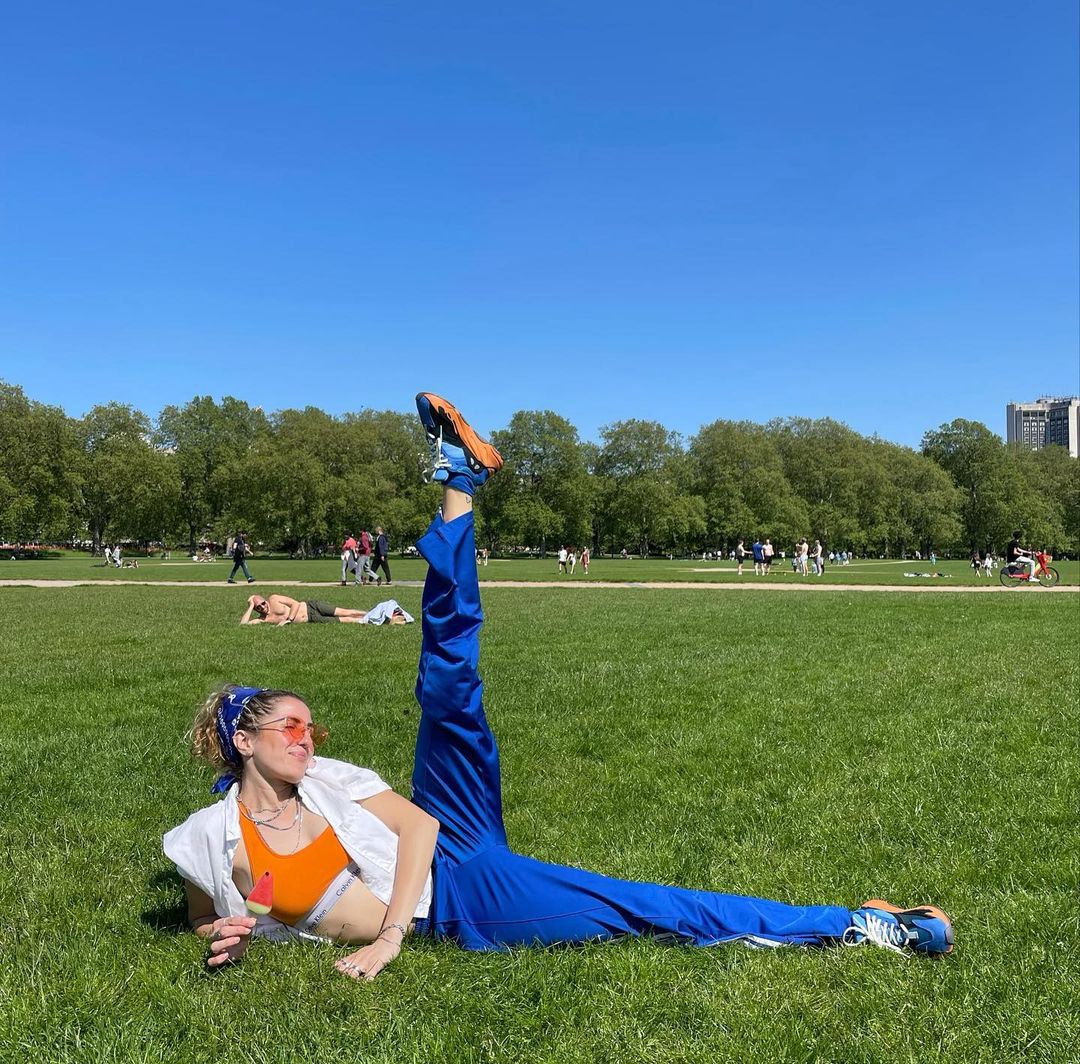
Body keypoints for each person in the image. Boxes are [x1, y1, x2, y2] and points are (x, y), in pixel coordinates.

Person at [165, 392, 953, 981]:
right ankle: (859, 923)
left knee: (447, 687)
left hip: (456, 868)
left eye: (310, 726)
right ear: (244, 742)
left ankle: (458, 483)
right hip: (464, 902)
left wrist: (390, 938)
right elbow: (209, 914)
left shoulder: (328, 782)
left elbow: (421, 830)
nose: (308, 738)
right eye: (291, 729)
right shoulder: (210, 835)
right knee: (642, 908)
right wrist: (228, 934)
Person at [240, 593, 411, 626]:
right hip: (312, 619)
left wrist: (288, 620)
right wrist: (250, 605)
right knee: (347, 620)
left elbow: (296, 603)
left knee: (346, 611)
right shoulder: (263, 620)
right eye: (258, 607)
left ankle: (379, 613)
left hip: (311, 606)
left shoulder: (274, 599)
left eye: (262, 603)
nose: (263, 607)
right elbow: (243, 625)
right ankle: (380, 620)